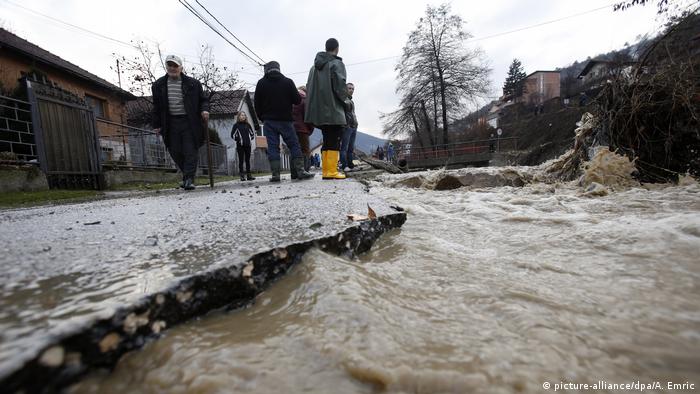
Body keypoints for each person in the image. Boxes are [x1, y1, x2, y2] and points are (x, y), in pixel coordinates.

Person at [151, 54, 209, 190]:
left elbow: (203, 100)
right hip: (170, 123)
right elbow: (156, 106)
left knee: (190, 150)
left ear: (181, 67)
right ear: (166, 67)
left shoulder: (193, 84)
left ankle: (189, 179)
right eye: (169, 65)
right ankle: (187, 175)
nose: (172, 68)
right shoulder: (158, 85)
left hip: (189, 122)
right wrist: (156, 124)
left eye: (175, 65)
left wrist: (204, 110)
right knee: (175, 151)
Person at [254, 61, 313, 182]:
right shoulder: (288, 82)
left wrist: (262, 117)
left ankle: (276, 175)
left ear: (267, 70)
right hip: (286, 120)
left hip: (269, 121)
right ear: (279, 69)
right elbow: (297, 100)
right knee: (294, 145)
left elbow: (256, 103)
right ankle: (300, 171)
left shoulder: (261, 83)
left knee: (273, 147)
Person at [305, 38, 348, 180]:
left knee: (327, 139)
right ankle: (331, 171)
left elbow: (309, 88)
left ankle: (326, 171)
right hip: (334, 110)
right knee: (334, 139)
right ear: (337, 48)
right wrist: (347, 102)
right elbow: (340, 87)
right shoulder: (336, 64)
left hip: (319, 111)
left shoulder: (313, 68)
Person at [292, 86, 314, 172]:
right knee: (305, 150)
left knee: (294, 150)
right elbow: (308, 117)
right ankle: (305, 170)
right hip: (303, 129)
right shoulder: (304, 101)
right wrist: (310, 129)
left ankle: (294, 173)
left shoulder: (291, 100)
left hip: (292, 129)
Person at [231, 111, 256, 181]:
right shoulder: (236, 125)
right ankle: (242, 176)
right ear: (239, 117)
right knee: (241, 160)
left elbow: (252, 134)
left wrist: (249, 139)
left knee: (248, 160)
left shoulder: (248, 125)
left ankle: (249, 175)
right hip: (240, 146)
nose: (243, 116)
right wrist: (239, 139)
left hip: (248, 145)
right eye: (242, 115)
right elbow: (232, 135)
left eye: (244, 115)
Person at [339, 82, 358, 171]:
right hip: (347, 126)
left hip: (354, 126)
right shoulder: (343, 99)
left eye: (353, 89)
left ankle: (350, 165)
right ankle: (344, 165)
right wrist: (345, 125)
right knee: (344, 147)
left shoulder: (352, 101)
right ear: (345, 89)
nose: (351, 90)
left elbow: (352, 114)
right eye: (349, 88)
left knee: (351, 148)